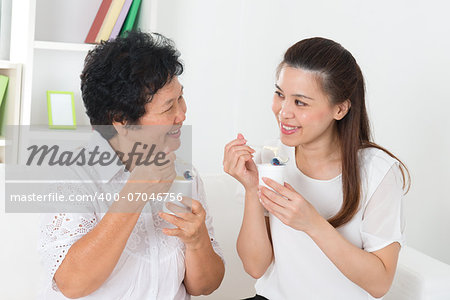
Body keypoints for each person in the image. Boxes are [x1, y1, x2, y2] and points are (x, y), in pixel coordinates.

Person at [39, 31, 224, 299]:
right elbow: (71, 283)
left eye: (180, 98)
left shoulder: (185, 175)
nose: (182, 114)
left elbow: (204, 286)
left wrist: (197, 241)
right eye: (168, 107)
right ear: (120, 120)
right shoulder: (71, 176)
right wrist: (134, 195)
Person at [223, 37, 409, 299]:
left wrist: (312, 224)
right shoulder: (272, 157)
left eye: (300, 102)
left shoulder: (377, 172)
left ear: (340, 109)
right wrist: (252, 190)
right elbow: (255, 267)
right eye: (280, 95)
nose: (283, 111)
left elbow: (379, 284)